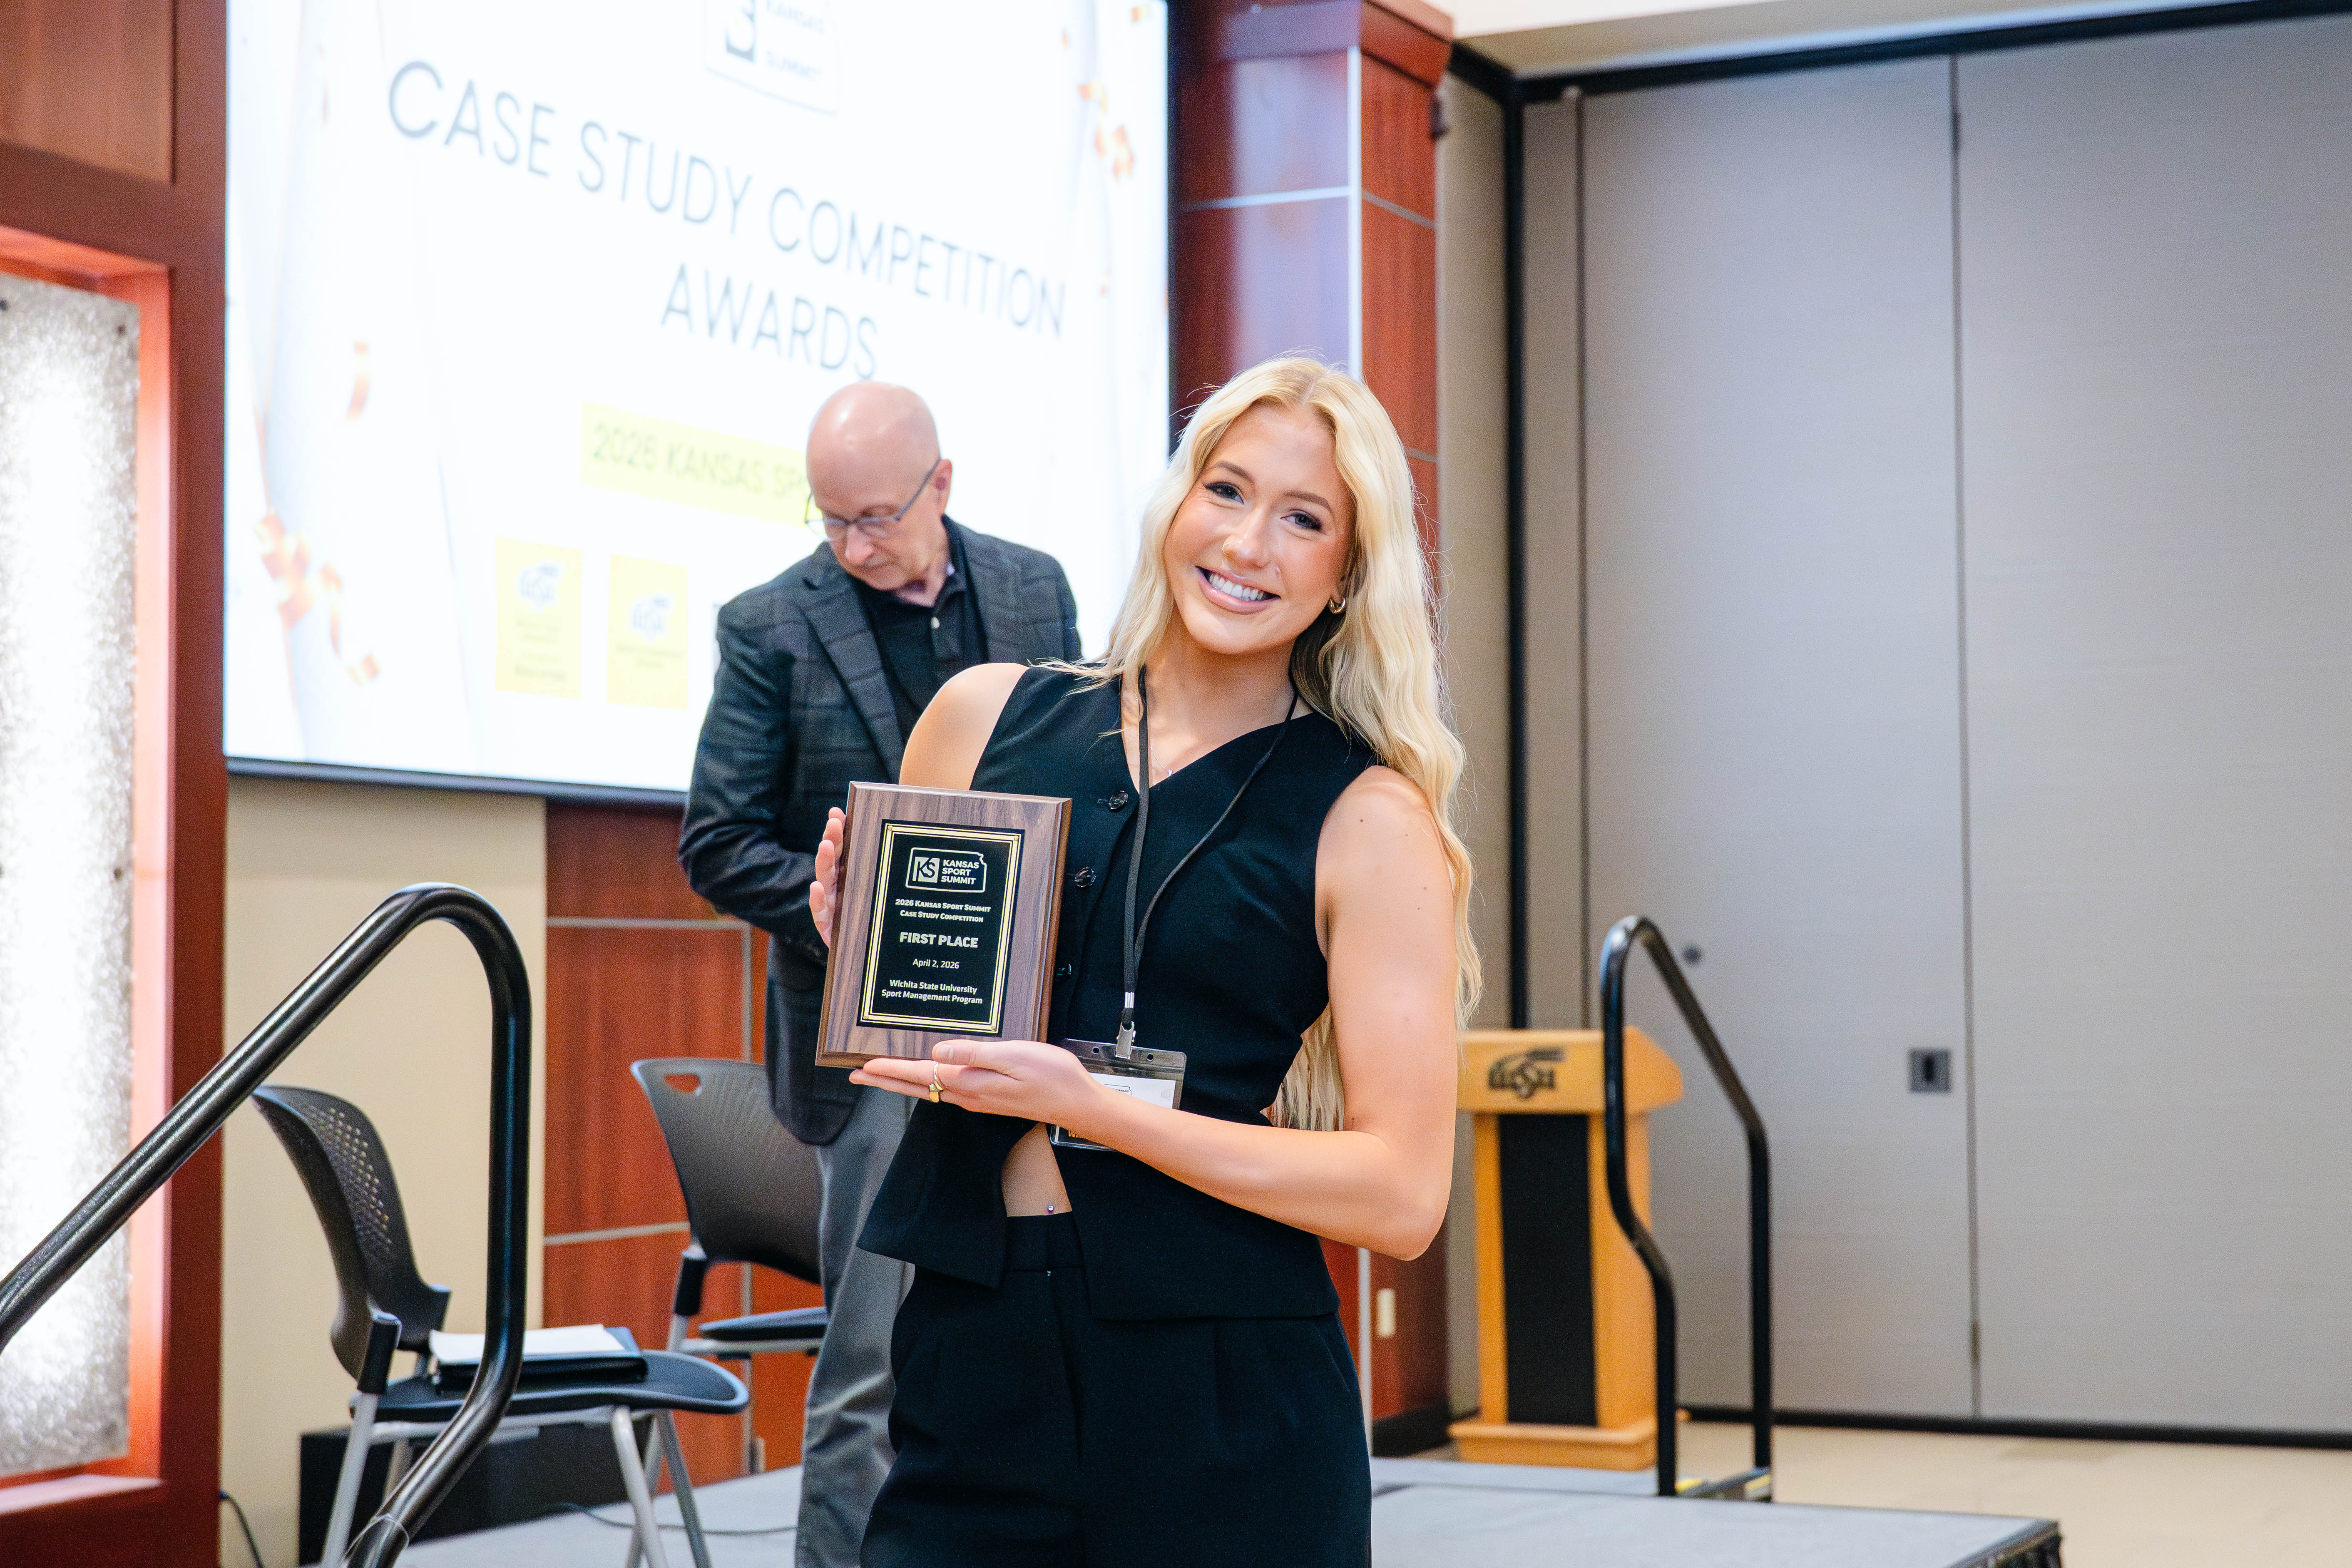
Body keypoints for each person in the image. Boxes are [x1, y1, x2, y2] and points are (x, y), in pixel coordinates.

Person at [807, 358, 1476, 1566]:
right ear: (1174, 505)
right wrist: (859, 953)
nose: (1248, 542)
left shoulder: (1369, 821)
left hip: (1221, 1383)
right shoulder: (980, 715)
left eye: (1304, 518)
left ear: (1345, 577)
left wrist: (1096, 1113)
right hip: (972, 1348)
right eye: (1224, 490)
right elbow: (924, 1024)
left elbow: (1401, 1194)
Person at [679, 381, 1082, 1568]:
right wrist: (846, 915)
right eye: (831, 521)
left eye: (875, 517)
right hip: (865, 1057)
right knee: (867, 1369)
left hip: (1024, 1040)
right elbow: (716, 840)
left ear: (940, 486)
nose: (854, 545)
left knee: (1025, 1335)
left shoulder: (1033, 588)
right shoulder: (771, 625)